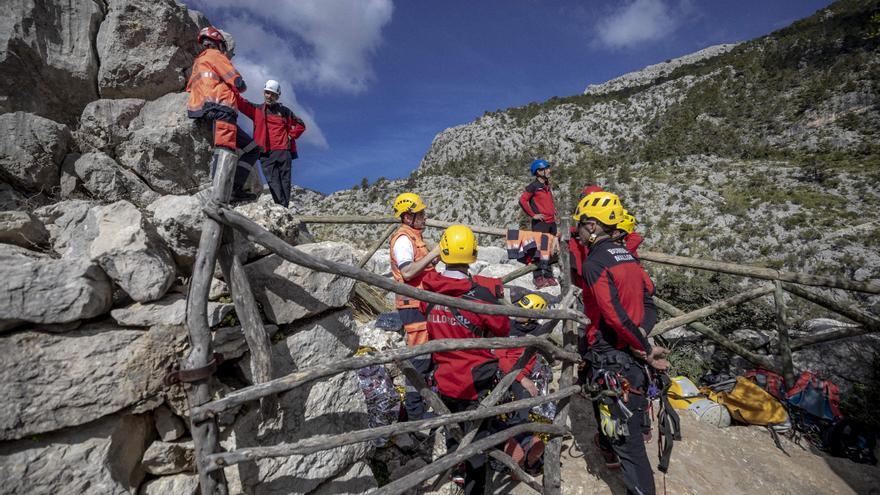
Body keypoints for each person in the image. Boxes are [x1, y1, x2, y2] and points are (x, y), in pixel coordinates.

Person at [573, 190, 668, 495]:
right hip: (632, 355)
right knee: (630, 433)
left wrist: (642, 346)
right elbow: (648, 302)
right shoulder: (629, 256)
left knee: (630, 448)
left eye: (581, 225)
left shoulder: (595, 263)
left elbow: (612, 315)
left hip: (614, 354)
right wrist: (642, 333)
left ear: (593, 226)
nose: (578, 231)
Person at [420, 225, 509, 495]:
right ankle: (474, 486)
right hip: (475, 379)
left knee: (454, 428)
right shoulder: (480, 296)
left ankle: (456, 472)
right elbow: (503, 329)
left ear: (444, 252)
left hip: (444, 377)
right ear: (472, 253)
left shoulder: (428, 291)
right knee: (478, 438)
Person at [185, 26, 259, 202]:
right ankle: (220, 194)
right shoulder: (215, 56)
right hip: (222, 108)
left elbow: (190, 88)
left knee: (253, 148)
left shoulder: (198, 63)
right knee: (224, 148)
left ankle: (234, 186)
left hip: (208, 110)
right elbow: (238, 82)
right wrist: (239, 84)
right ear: (218, 43)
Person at [389, 193, 441, 421]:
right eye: (421, 214)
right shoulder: (403, 239)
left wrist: (430, 260)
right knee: (419, 359)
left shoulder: (414, 237)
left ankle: (420, 407)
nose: (425, 217)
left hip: (423, 303)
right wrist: (433, 253)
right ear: (408, 216)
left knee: (428, 357)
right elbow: (408, 271)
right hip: (413, 306)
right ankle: (414, 414)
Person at [497, 293, 555, 472]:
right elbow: (501, 357)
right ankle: (524, 445)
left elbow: (536, 358)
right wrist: (522, 379)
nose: (518, 312)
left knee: (523, 408)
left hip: (522, 375)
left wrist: (524, 378)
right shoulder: (507, 326)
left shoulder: (536, 332)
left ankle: (525, 451)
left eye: (523, 310)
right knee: (518, 408)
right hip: (507, 374)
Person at [236, 80, 306, 207]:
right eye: (267, 93)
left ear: (277, 96)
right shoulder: (256, 110)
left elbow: (301, 125)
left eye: (272, 94)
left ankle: (284, 208)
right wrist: (231, 87)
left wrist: (291, 135)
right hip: (266, 153)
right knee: (272, 182)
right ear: (264, 93)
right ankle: (280, 207)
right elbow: (240, 102)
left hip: (284, 151)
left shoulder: (285, 111)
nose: (269, 96)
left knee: (285, 181)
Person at [518, 159, 558, 288]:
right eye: (546, 168)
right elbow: (523, 200)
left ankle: (548, 275)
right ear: (539, 171)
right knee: (539, 251)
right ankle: (538, 277)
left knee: (550, 250)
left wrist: (553, 210)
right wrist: (533, 215)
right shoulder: (533, 186)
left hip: (551, 222)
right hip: (541, 223)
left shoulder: (546, 184)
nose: (549, 170)